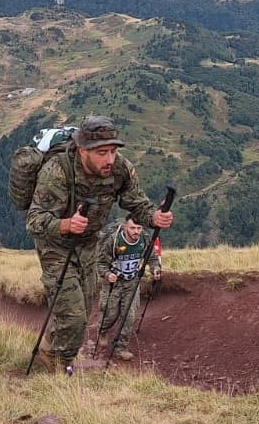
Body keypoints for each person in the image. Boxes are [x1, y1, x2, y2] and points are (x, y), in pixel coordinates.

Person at [25, 116, 172, 374]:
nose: (109, 159)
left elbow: (136, 203)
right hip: (55, 245)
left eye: (113, 151)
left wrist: (153, 216)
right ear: (83, 150)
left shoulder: (119, 170)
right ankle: (60, 368)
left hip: (89, 243)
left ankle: (49, 350)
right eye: (101, 152)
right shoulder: (58, 171)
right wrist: (65, 225)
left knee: (80, 306)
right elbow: (34, 220)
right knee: (75, 316)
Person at [92, 217, 145, 361]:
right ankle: (102, 330)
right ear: (125, 227)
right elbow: (101, 263)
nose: (136, 232)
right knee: (111, 313)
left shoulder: (144, 239)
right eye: (133, 228)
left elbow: (150, 256)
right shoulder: (114, 241)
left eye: (139, 228)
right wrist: (107, 274)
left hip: (132, 282)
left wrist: (156, 268)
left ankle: (121, 347)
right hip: (114, 284)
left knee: (129, 315)